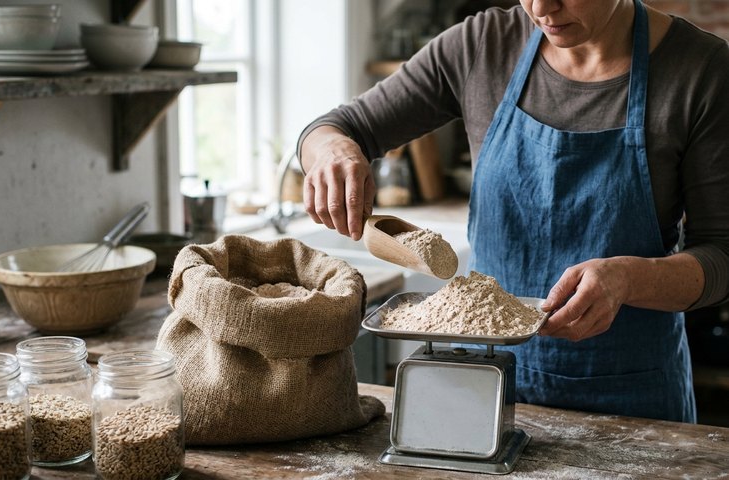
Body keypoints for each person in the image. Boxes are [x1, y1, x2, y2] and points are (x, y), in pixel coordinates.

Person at [296, 0, 729, 423]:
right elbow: (335, 128)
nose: (541, 8)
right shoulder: (482, 45)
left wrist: (629, 279)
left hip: (630, 399)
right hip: (480, 389)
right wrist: (334, 150)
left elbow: (723, 256)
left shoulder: (701, 70)